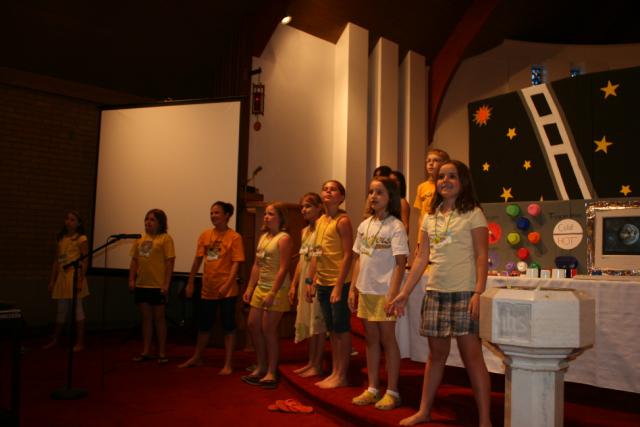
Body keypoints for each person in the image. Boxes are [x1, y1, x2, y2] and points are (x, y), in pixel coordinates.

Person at [387, 160, 491, 426]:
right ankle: (424, 411)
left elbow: (482, 256)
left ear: (463, 181)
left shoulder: (473, 213)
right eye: (441, 177)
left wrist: (478, 292)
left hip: (465, 292)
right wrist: (404, 292)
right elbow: (422, 258)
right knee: (435, 356)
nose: (445, 181)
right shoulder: (430, 217)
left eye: (452, 176)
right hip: (435, 292)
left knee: (472, 357)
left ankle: (485, 420)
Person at [348, 177, 408, 410]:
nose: (373, 196)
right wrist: (352, 288)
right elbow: (357, 259)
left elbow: (400, 264)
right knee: (371, 340)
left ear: (390, 197)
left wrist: (392, 294)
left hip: (385, 292)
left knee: (387, 340)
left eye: (379, 192)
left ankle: (392, 391)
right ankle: (373, 388)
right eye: (371, 192)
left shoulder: (396, 226)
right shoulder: (364, 225)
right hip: (366, 290)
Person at [180, 201, 245, 374]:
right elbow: (197, 261)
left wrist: (227, 285)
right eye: (211, 213)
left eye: (217, 213)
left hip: (227, 290)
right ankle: (197, 357)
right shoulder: (205, 235)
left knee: (228, 326)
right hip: (207, 289)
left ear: (227, 215)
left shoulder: (234, 237)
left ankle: (228, 364)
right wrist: (190, 282)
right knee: (204, 325)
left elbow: (236, 264)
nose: (213, 216)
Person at [306, 180, 353, 389]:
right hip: (322, 281)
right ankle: (335, 371)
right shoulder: (320, 220)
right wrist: (310, 279)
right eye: (325, 189)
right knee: (332, 330)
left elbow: (348, 254)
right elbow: (316, 252)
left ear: (341, 197)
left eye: (333, 189)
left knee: (341, 329)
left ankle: (342, 375)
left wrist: (338, 285)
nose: (328, 191)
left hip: (338, 282)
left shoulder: (342, 221)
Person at [241, 202, 292, 389]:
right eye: (265, 214)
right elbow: (257, 264)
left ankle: (271, 371)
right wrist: (249, 288)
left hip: (276, 289)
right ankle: (261, 366)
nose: (266, 217)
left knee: (268, 329)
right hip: (260, 286)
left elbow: (284, 268)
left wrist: (272, 292)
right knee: (253, 325)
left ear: (280, 217)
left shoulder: (284, 238)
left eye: (271, 214)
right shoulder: (263, 237)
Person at [129, 209, 175, 364]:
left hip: (158, 286)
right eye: (146, 219)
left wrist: (166, 284)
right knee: (146, 319)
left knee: (159, 319)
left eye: (152, 220)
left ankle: (161, 353)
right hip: (142, 284)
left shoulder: (165, 239)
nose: (148, 222)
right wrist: (131, 279)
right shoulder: (140, 239)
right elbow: (134, 261)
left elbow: (169, 263)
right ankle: (146, 351)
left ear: (160, 223)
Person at [288, 193, 327, 377]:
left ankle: (317, 364)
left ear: (319, 207)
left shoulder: (323, 228)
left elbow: (321, 258)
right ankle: (311, 362)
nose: (304, 210)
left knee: (317, 324)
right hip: (305, 278)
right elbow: (302, 259)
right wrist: (294, 284)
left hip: (316, 279)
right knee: (308, 321)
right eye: (302, 207)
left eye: (308, 206)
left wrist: (314, 281)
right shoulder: (304, 231)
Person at [43, 211, 90, 351]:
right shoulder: (61, 238)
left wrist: (80, 280)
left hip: (75, 277)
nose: (68, 221)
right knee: (61, 310)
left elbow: (85, 260)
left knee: (78, 310)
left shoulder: (81, 239)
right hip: (62, 278)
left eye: (72, 219)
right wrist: (52, 280)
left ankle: (80, 342)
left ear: (78, 223)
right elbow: (56, 261)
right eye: (67, 219)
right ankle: (55, 339)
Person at [413, 149, 449, 251]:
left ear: (445, 164)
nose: (431, 164)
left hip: (443, 233)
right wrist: (419, 241)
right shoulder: (422, 187)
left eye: (435, 160)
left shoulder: (447, 186)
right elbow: (421, 217)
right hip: (426, 235)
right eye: (428, 161)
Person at [390, 170, 410, 234]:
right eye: (389, 180)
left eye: (394, 180)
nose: (392, 183)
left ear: (400, 183)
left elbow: (405, 225)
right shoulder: (388, 200)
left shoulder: (402, 202)